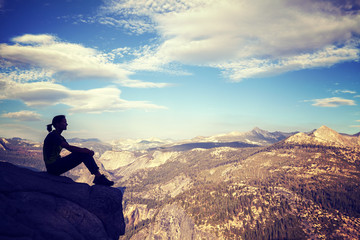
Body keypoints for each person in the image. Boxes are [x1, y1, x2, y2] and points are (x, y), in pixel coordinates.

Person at [43, 115, 114, 186]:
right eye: (64, 122)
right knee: (84, 154)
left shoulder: (58, 136)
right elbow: (70, 148)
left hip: (54, 166)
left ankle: (98, 177)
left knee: (84, 153)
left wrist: (85, 151)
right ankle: (99, 177)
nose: (67, 124)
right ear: (57, 124)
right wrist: (86, 151)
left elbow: (71, 149)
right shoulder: (53, 136)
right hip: (53, 167)